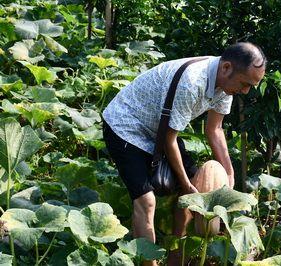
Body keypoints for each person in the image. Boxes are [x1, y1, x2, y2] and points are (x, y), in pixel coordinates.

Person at [102, 42, 266, 265]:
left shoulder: (226, 85)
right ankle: (148, 262)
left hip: (159, 129)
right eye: (245, 84)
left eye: (251, 86)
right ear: (227, 67)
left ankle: (175, 255)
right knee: (147, 201)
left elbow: (214, 129)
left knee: (192, 192)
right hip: (125, 125)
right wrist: (185, 184)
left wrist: (229, 172)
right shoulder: (192, 82)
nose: (245, 91)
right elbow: (169, 141)